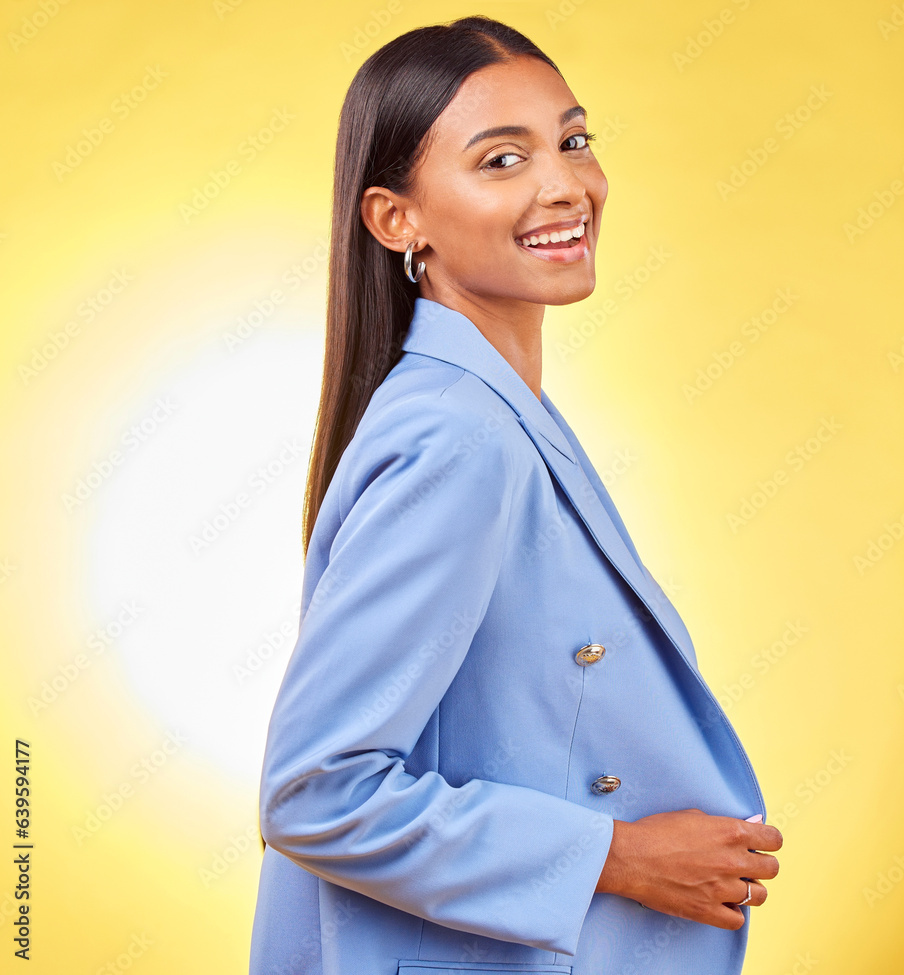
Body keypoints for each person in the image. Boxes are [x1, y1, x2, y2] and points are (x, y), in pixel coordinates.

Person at [249, 15, 782, 975]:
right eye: (502, 159)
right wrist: (617, 857)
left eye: (573, 141)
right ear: (394, 219)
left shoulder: (498, 413)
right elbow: (315, 789)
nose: (564, 185)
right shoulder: (459, 436)